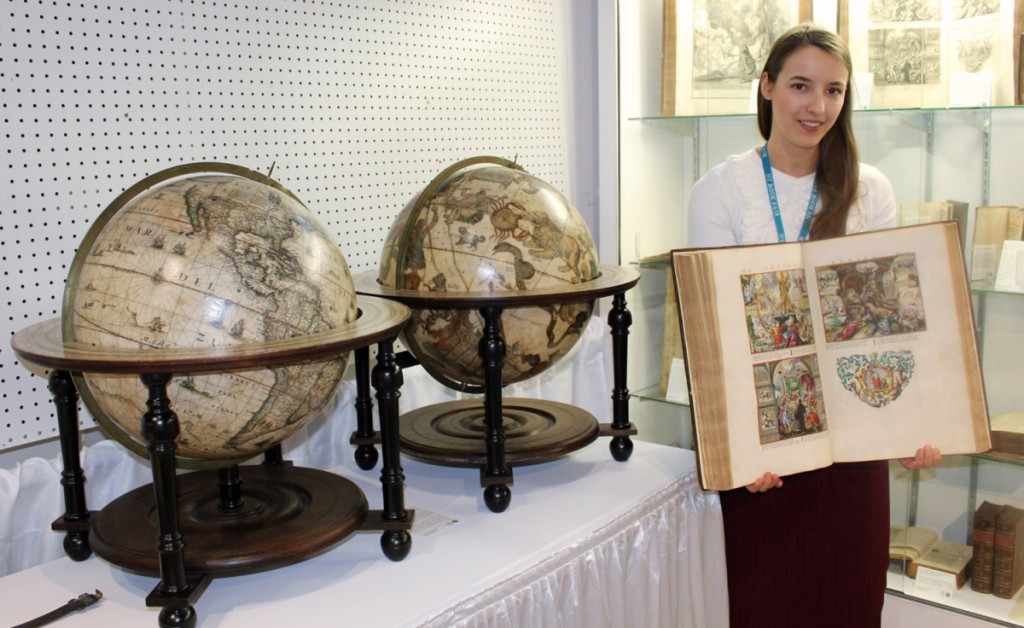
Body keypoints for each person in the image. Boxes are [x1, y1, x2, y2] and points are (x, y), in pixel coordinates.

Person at [687, 23, 942, 627]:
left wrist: (910, 421)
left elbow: (887, 327)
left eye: (834, 91)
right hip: (762, 461)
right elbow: (713, 338)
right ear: (767, 86)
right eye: (801, 85)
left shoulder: (869, 189)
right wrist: (739, 452)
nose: (818, 106)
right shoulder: (720, 191)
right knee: (762, 607)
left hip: (854, 447)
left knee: (849, 608)